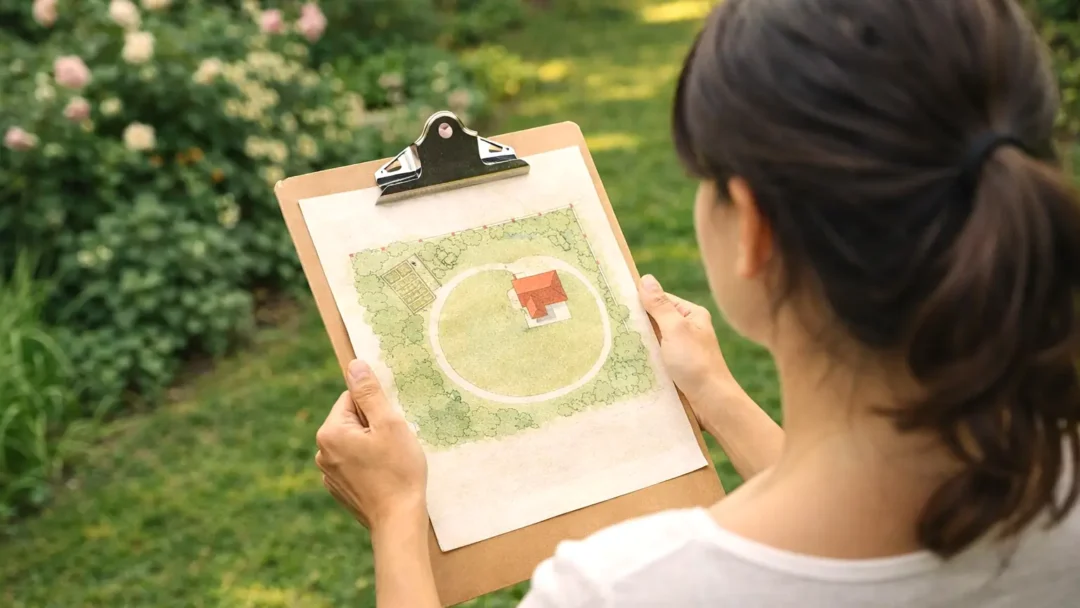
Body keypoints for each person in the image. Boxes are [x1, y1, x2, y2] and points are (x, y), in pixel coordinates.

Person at [313, 0, 1080, 605]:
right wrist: (718, 396)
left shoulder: (622, 592)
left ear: (752, 228)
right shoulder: (1057, 492)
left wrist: (399, 517)